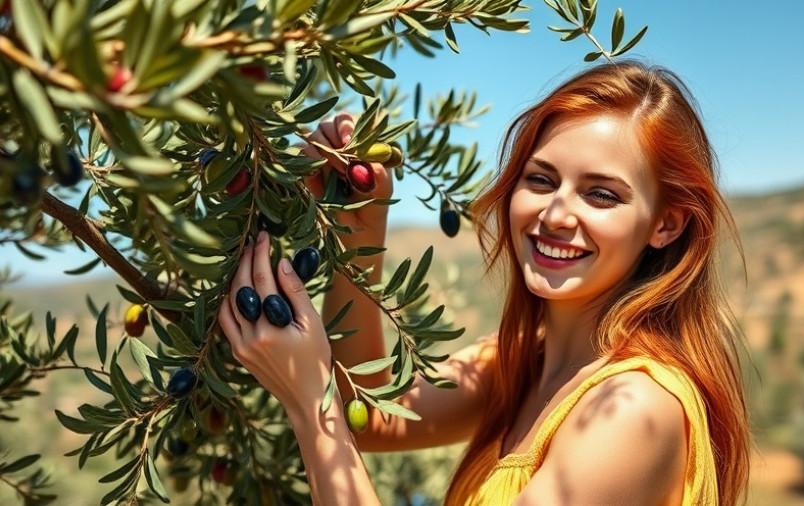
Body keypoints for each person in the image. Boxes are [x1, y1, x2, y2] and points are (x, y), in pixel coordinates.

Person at [217, 60, 750, 505]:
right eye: (540, 179)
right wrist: (361, 224)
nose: (556, 213)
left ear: (666, 224)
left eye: (601, 194)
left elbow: (337, 410)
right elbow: (372, 414)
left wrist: (312, 406)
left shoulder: (633, 410)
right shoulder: (516, 364)